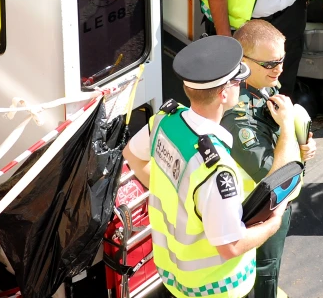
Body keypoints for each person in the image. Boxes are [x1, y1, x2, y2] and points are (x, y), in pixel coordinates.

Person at [122, 36, 294, 298]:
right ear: (224, 93)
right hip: (217, 288)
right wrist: (274, 223)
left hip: (173, 274)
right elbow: (231, 247)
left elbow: (132, 156)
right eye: (238, 81)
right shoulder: (216, 169)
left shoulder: (164, 121)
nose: (241, 86)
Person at [219, 19, 317, 298]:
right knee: (264, 269)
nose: (280, 69)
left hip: (263, 209)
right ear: (244, 61)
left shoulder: (261, 83)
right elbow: (276, 180)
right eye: (271, 64)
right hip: (256, 213)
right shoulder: (237, 119)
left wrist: (300, 146)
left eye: (282, 60)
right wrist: (288, 128)